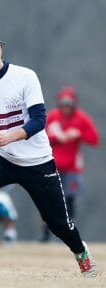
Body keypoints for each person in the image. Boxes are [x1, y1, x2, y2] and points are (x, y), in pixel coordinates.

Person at [0, 30, 97, 277]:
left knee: (58, 223)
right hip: (2, 158)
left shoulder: (24, 76)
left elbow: (40, 120)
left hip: (37, 161)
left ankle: (82, 254)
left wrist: (10, 136)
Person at [39, 87, 100, 242]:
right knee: (49, 200)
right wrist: (58, 137)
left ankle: (67, 235)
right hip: (52, 166)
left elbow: (94, 139)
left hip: (73, 168)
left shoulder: (81, 119)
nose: (66, 107)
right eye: (63, 104)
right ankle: (45, 235)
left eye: (69, 104)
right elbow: (40, 137)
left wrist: (78, 134)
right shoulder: (52, 117)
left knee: (70, 201)